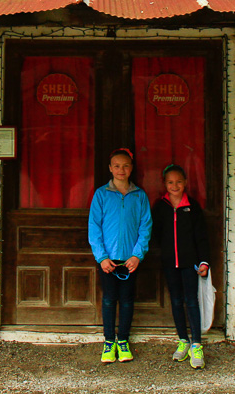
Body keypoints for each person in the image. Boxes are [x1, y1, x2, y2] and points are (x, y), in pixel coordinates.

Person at [88, 147, 152, 364]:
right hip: (108, 260)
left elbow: (145, 227)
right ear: (110, 168)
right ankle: (108, 342)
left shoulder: (139, 195)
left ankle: (123, 340)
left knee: (126, 300)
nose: (121, 170)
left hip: (130, 260)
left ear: (132, 168)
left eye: (125, 166)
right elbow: (94, 228)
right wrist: (101, 257)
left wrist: (137, 255)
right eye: (117, 166)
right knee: (108, 300)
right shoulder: (101, 194)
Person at [152, 163, 210, 369]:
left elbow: (201, 237)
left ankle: (197, 344)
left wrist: (203, 260)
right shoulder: (161, 207)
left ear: (185, 182)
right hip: (170, 263)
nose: (174, 185)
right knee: (176, 301)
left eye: (178, 182)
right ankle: (183, 340)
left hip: (190, 263)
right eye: (170, 182)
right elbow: (156, 233)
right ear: (164, 184)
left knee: (191, 301)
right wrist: (166, 252)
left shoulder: (192, 207)